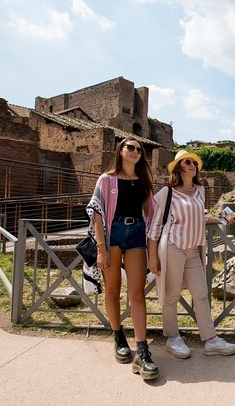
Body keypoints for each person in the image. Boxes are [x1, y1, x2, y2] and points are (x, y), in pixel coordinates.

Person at [148, 150, 235, 360]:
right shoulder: (166, 193)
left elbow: (199, 217)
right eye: (187, 162)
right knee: (171, 295)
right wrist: (152, 256)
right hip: (173, 247)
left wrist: (221, 219)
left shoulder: (200, 191)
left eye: (194, 162)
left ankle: (210, 339)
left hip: (193, 250)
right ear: (179, 167)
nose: (192, 165)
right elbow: (155, 225)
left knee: (201, 293)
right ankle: (172, 338)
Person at [87, 137, 158, 380]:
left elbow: (152, 214)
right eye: (131, 147)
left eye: (139, 149)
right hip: (113, 234)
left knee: (137, 293)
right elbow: (97, 212)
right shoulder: (107, 179)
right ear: (120, 150)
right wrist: (101, 247)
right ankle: (118, 336)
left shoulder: (144, 181)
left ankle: (142, 350)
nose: (136, 151)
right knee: (112, 290)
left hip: (137, 233)